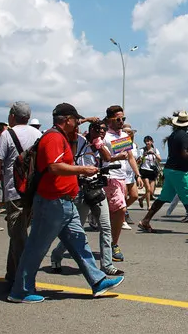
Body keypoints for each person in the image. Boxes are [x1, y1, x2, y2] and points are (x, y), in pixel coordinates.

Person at [8, 103, 124, 303]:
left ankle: (97, 281)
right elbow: (54, 167)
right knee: (36, 246)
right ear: (67, 119)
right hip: (52, 202)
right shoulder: (53, 138)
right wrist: (82, 170)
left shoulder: (61, 137)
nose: (77, 123)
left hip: (64, 202)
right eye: (75, 119)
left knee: (80, 242)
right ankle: (21, 290)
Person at [51, 121, 123, 276]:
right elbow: (71, 127)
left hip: (97, 188)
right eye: (98, 129)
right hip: (81, 190)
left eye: (104, 129)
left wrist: (99, 145)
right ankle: (56, 255)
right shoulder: (79, 140)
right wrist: (88, 119)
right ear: (91, 130)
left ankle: (107, 265)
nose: (102, 132)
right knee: (76, 230)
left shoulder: (101, 144)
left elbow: (107, 158)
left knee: (106, 227)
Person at [137, 113, 188, 234]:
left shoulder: (173, 135)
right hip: (180, 171)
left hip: (169, 169)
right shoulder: (184, 136)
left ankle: (145, 220)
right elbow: (185, 155)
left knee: (163, 197)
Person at [0, 102, 42, 282]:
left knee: (18, 236)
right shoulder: (38, 134)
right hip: (33, 192)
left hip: (14, 191)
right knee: (18, 234)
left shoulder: (7, 134)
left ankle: (22, 278)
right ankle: (11, 275)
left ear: (12, 115)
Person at [99, 106, 140, 262]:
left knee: (113, 213)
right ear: (110, 119)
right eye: (118, 119)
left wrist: (138, 175)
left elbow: (129, 157)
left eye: (123, 118)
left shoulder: (122, 135)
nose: (121, 121)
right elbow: (105, 157)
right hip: (108, 177)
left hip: (120, 178)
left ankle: (110, 243)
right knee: (120, 210)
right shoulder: (104, 135)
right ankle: (112, 245)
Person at [137, 135, 161, 211]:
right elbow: (138, 161)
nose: (147, 142)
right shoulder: (142, 150)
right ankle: (149, 205)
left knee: (151, 191)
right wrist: (144, 155)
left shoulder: (155, 150)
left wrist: (153, 153)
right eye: (146, 141)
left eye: (149, 141)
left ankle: (141, 199)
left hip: (153, 171)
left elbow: (160, 159)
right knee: (147, 188)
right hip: (144, 170)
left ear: (152, 142)